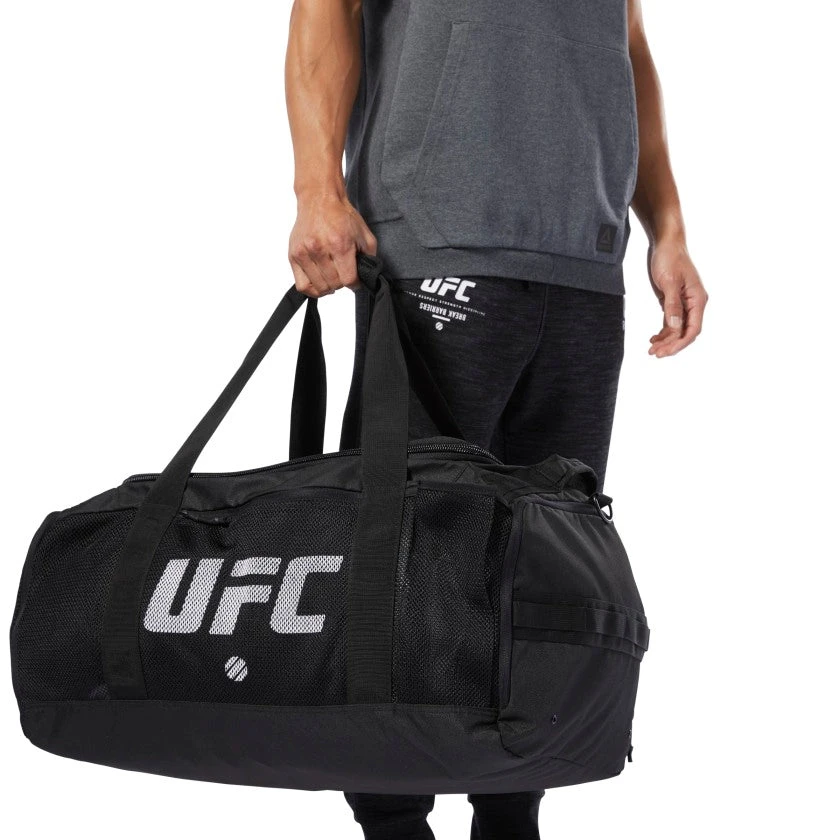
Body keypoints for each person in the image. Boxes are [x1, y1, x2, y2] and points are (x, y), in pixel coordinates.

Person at [285, 1, 708, 837]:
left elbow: (624, 42)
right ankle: (392, 822)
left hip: (584, 266)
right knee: (404, 563)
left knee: (544, 568)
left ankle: (512, 816)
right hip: (440, 236)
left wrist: (667, 228)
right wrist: (316, 187)